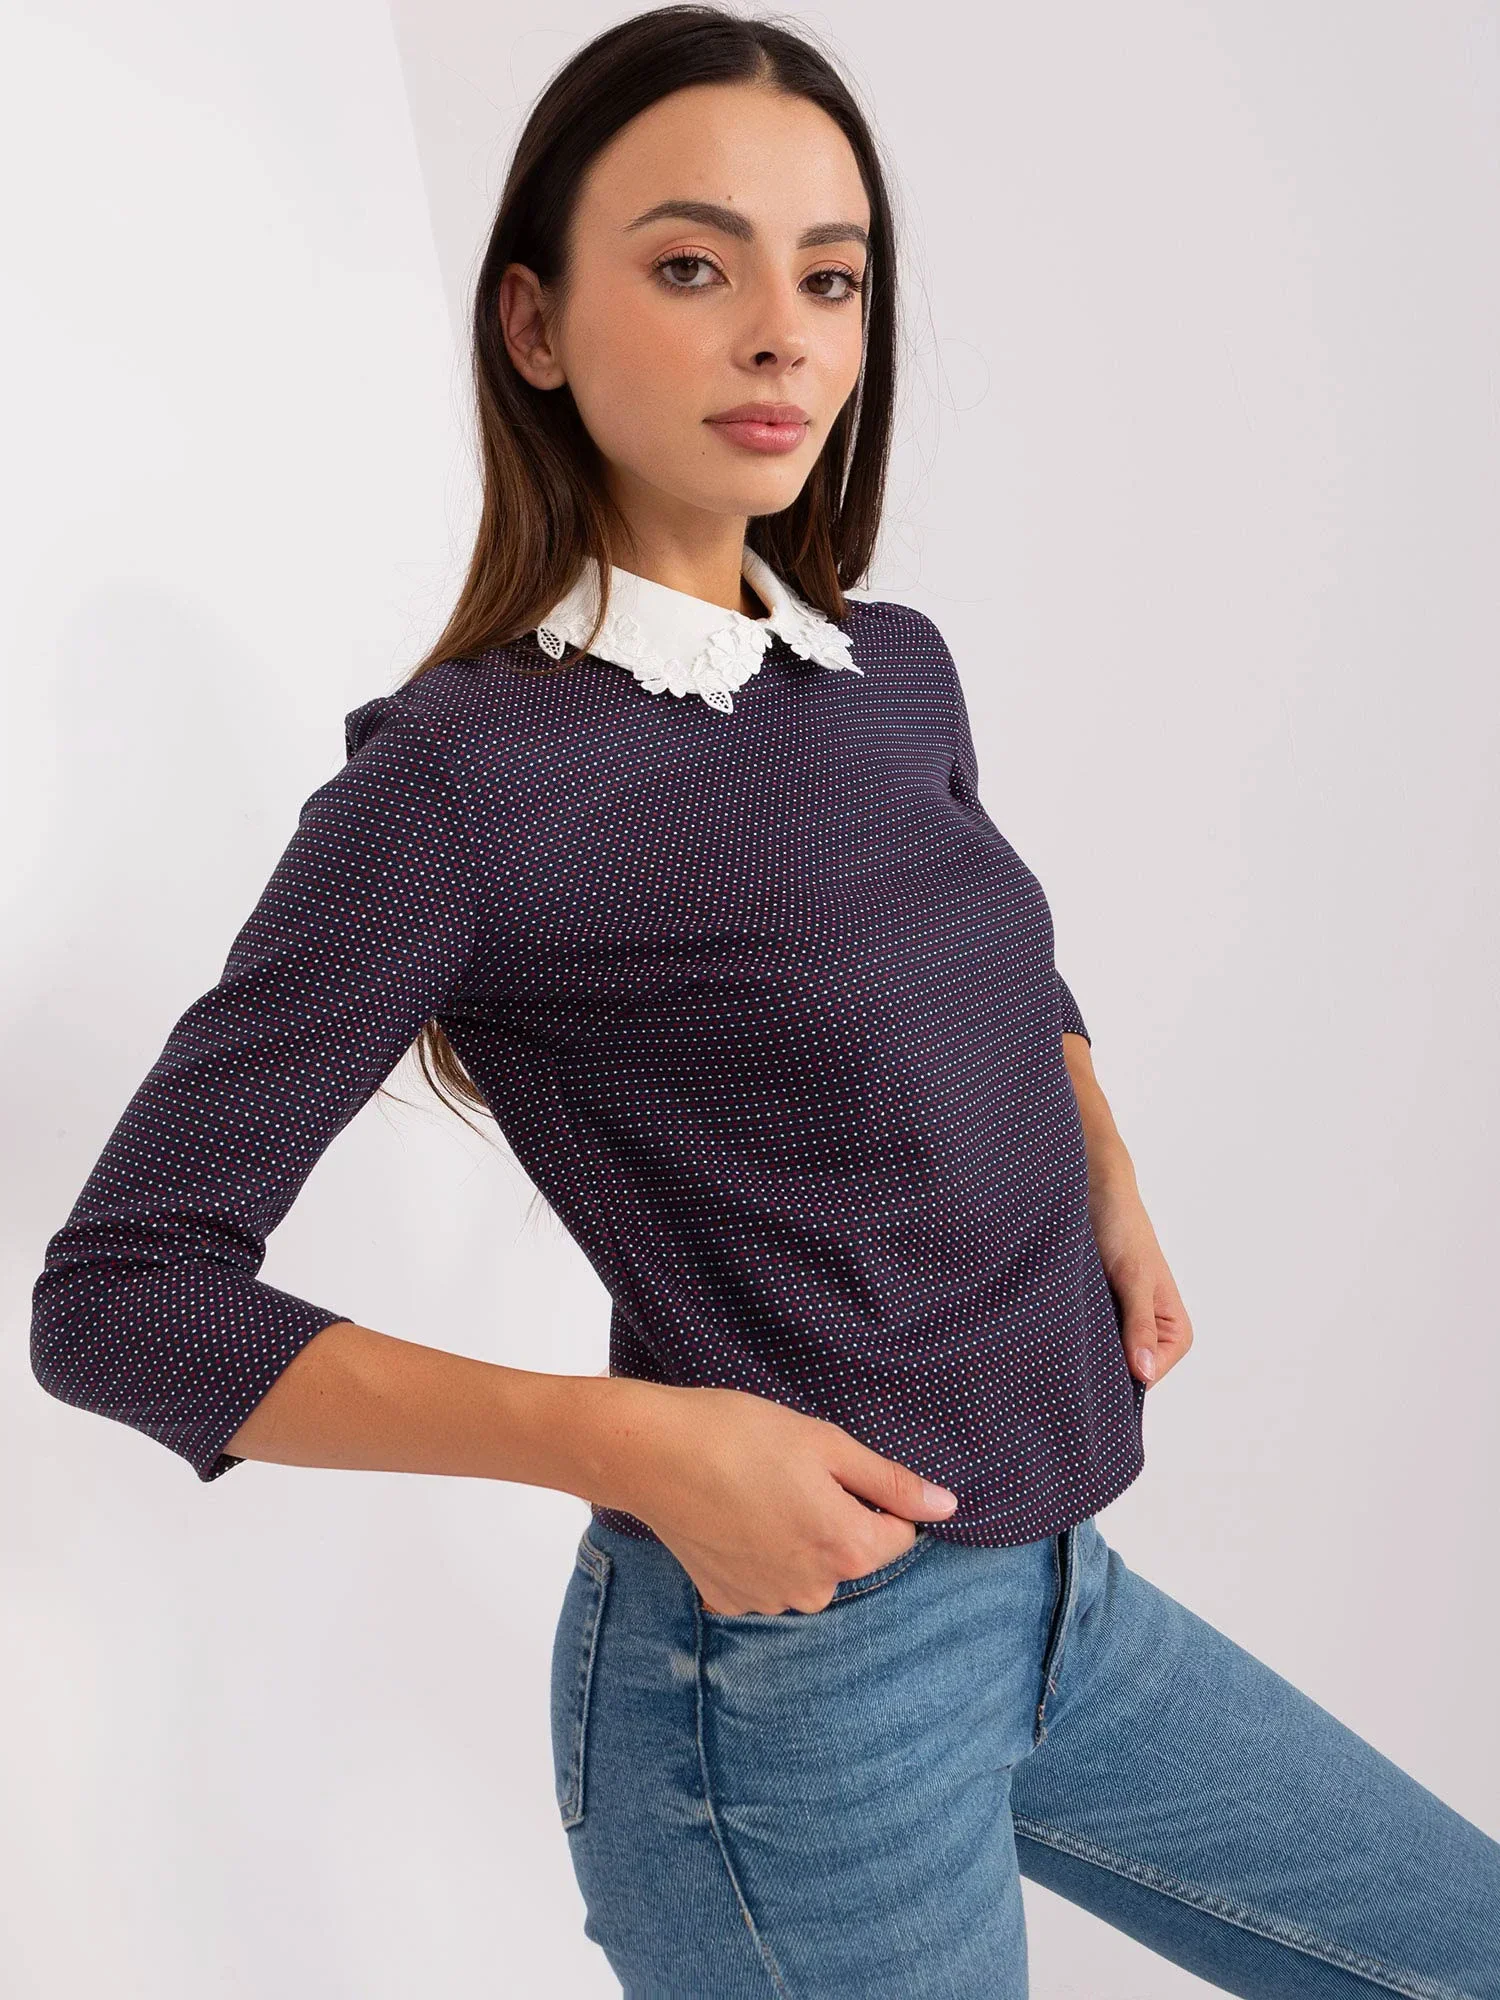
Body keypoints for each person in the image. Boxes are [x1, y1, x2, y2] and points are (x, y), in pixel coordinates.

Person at [30, 8, 1499, 1995]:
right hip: (795, 1683)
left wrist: (1105, 1162)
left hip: (1063, 1600)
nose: (782, 338)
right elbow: (124, 1299)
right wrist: (641, 1447)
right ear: (533, 325)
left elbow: (980, 940)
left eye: (831, 279)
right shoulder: (463, 786)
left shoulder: (892, 671)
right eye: (691, 266)